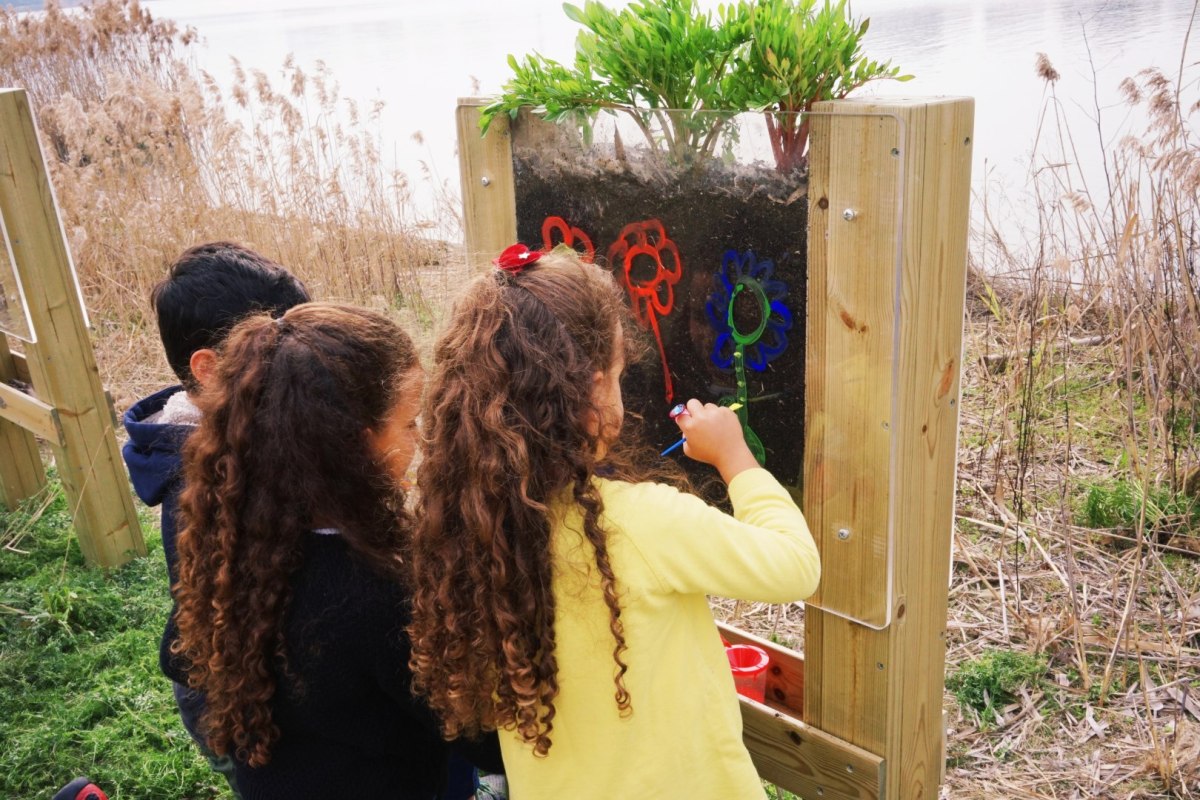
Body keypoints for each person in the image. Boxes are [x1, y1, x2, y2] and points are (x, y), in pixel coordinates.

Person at [407, 245, 822, 799]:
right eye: (621, 374)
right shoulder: (640, 521)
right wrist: (734, 457)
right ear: (593, 390)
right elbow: (795, 566)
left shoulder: (470, 527)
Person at [168, 303, 502, 799]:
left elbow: (177, 656)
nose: (420, 440)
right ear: (359, 448)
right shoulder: (378, 596)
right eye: (409, 424)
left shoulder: (235, 541)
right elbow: (483, 740)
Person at [122, 242, 310, 795]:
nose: (306, 356)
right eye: (281, 345)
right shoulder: (203, 476)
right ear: (207, 369)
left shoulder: (241, 424)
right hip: (236, 705)